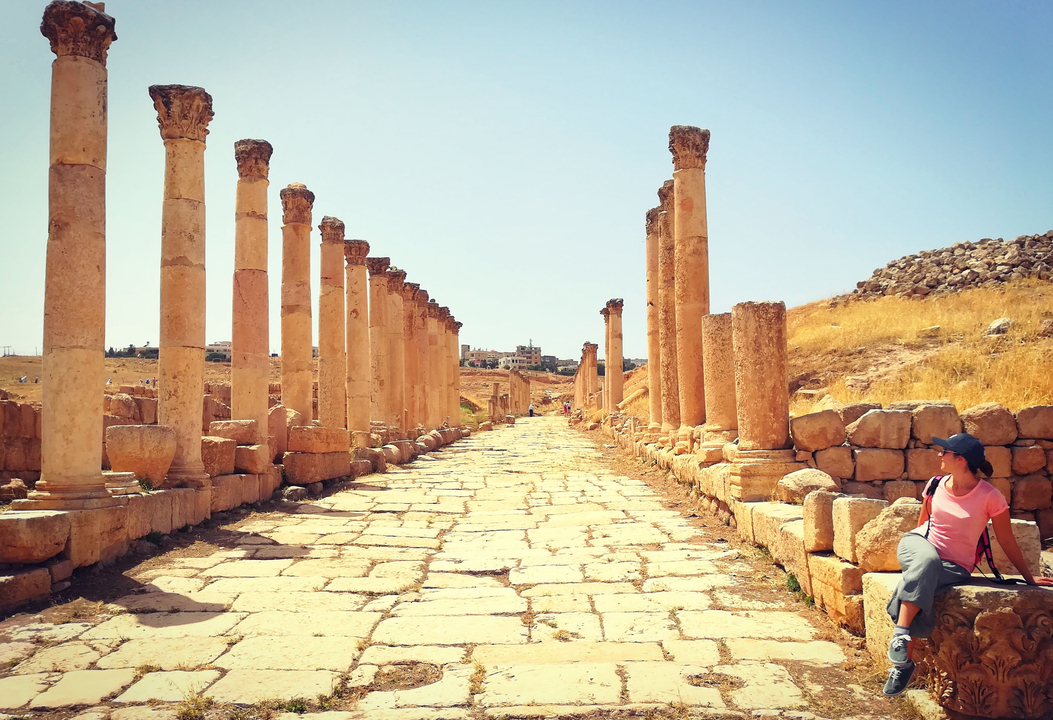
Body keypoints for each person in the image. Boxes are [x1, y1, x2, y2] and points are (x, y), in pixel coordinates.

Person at [882, 433, 1052, 697]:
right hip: (918, 545)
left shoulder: (991, 497)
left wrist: (1029, 579)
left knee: (923, 580)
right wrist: (917, 560)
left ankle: (903, 664)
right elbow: (922, 523)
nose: (939, 455)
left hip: (955, 565)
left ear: (960, 460)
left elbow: (1007, 541)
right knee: (925, 563)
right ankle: (901, 635)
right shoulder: (935, 484)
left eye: (944, 451)